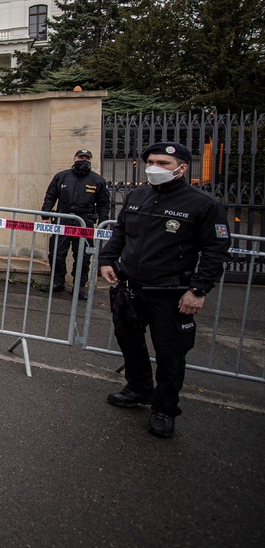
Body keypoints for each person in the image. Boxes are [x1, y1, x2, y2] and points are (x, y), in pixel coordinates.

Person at [98, 142, 231, 438]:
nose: (154, 168)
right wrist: (107, 259)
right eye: (152, 162)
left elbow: (216, 250)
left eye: (164, 163)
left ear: (182, 168)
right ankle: (139, 388)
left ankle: (164, 408)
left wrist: (198, 289)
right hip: (130, 287)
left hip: (172, 293)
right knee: (129, 342)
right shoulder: (137, 196)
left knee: (171, 354)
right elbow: (121, 232)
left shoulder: (203, 205)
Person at [39, 148, 110, 293]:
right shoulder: (62, 177)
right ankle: (58, 282)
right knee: (57, 253)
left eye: (86, 158)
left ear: (90, 160)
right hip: (63, 219)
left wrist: (103, 223)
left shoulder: (97, 180)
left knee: (83, 255)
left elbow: (104, 203)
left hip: (85, 222)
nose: (83, 160)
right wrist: (45, 216)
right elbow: (50, 196)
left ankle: (79, 286)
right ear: (74, 158)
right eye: (80, 157)